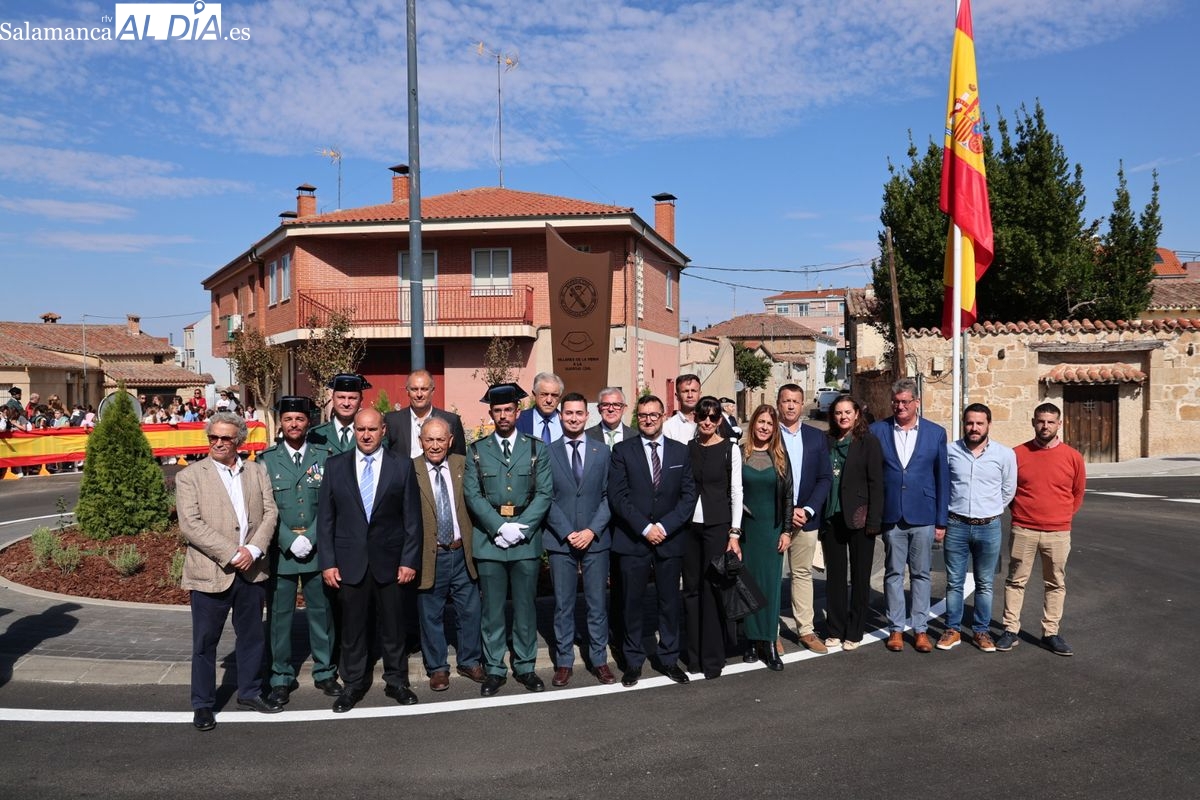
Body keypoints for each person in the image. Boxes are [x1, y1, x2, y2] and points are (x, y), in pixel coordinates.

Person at [175, 411, 282, 732]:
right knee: (205, 644)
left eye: (225, 438)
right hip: (210, 573)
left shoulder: (256, 471)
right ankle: (203, 704)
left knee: (251, 638)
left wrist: (254, 549)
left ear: (239, 441)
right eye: (213, 437)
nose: (219, 443)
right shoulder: (190, 476)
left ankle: (249, 692)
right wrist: (232, 552)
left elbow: (270, 512)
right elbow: (190, 524)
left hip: (251, 571)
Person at [317, 407, 422, 712]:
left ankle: (397, 681)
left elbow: (412, 519)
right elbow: (326, 519)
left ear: (383, 431)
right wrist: (328, 562)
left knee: (393, 627)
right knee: (353, 630)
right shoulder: (335, 466)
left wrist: (409, 560)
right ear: (354, 432)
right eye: (360, 430)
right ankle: (352, 685)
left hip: (390, 563)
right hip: (349, 563)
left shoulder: (401, 466)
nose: (365, 435)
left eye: (372, 430)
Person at [463, 383, 554, 697]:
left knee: (526, 608)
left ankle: (526, 667)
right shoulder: (477, 450)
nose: (503, 415)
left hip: (526, 541)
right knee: (492, 611)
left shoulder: (536, 449)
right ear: (491, 414)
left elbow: (544, 494)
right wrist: (499, 527)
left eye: (508, 410)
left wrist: (522, 527)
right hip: (490, 542)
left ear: (517, 412)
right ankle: (495, 669)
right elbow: (472, 495)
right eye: (497, 410)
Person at [608, 394, 698, 687]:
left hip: (670, 540)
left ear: (663, 416)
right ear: (638, 418)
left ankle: (669, 659)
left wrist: (664, 526)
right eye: (643, 415)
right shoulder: (622, 451)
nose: (648, 419)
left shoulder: (681, 452)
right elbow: (618, 496)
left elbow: (688, 497)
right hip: (633, 539)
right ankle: (633, 661)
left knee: (669, 603)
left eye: (654, 415)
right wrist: (646, 528)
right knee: (632, 604)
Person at [259, 396, 341, 705]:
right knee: (280, 616)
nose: (294, 424)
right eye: (289, 419)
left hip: (318, 548)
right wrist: (287, 539)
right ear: (280, 422)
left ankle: (325, 671)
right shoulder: (266, 460)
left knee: (322, 612)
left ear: (309, 422)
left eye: (300, 419)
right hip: (282, 552)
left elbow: (332, 503)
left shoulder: (325, 455)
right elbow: (263, 508)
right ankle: (280, 675)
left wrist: (313, 535)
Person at [995, 403, 1086, 656]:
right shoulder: (1017, 454)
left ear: (1059, 424)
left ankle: (1051, 633)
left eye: (1050, 422)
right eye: (1040, 421)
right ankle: (1010, 630)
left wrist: (1063, 516)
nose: (1045, 426)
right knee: (1015, 581)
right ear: (1033, 422)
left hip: (1058, 532)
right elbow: (1009, 490)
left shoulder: (1073, 457)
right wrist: (1021, 514)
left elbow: (1077, 493)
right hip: (1024, 529)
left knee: (1055, 582)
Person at [869, 378, 949, 653]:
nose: (900, 406)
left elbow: (942, 479)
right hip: (891, 514)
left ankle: (921, 629)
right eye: (896, 402)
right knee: (893, 573)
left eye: (905, 402)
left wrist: (941, 521)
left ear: (917, 403)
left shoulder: (935, 433)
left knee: (921, 574)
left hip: (923, 515)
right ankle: (895, 629)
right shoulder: (876, 431)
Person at [544, 392, 615, 686]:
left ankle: (599, 659)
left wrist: (591, 530)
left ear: (588, 416)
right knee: (563, 604)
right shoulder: (547, 452)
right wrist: (568, 531)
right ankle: (563, 661)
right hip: (560, 539)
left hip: (595, 539)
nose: (573, 418)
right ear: (561, 416)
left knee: (597, 603)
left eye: (579, 413)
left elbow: (610, 496)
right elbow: (544, 497)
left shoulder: (602, 452)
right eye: (568, 413)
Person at [411, 416, 486, 691]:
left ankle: (469, 660)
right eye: (429, 439)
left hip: (461, 550)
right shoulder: (410, 469)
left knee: (470, 611)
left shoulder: (463, 465)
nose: (434, 445)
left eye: (440, 439)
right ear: (421, 442)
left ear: (451, 441)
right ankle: (438, 668)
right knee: (430, 613)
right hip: (430, 555)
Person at [940, 403, 1017, 653]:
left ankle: (981, 631)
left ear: (989, 425)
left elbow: (1008, 490)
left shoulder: (1005, 455)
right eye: (970, 423)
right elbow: (943, 486)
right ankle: (952, 629)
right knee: (954, 582)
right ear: (964, 424)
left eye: (979, 423)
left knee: (985, 583)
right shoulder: (950, 451)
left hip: (989, 527)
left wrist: (990, 510)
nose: (974, 428)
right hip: (957, 525)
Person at [682, 395, 743, 679]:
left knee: (712, 591)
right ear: (695, 418)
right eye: (702, 416)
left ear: (720, 420)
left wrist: (734, 533)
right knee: (692, 590)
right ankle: (693, 656)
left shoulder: (730, 449)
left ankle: (712, 658)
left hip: (718, 526)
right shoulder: (688, 448)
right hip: (689, 529)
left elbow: (736, 492)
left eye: (713, 417)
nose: (707, 421)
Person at [820, 395, 884, 651]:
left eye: (847, 412)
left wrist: (873, 520)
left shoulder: (868, 442)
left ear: (857, 414)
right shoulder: (826, 441)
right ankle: (835, 628)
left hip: (859, 517)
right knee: (834, 576)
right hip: (831, 516)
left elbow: (876, 483)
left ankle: (855, 630)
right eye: (838, 413)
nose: (843, 416)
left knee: (859, 576)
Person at [775, 383, 833, 654]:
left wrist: (808, 509)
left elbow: (824, 478)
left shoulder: (815, 437)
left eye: (795, 401)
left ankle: (806, 631)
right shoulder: (768, 433)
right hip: (774, 519)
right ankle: (769, 632)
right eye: (786, 400)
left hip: (805, 518)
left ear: (802, 405)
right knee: (773, 576)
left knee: (801, 574)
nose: (790, 406)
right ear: (778, 404)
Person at [739, 404, 794, 670]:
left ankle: (769, 642)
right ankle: (750, 640)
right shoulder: (740, 453)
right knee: (747, 586)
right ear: (753, 424)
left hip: (771, 530)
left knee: (770, 588)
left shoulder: (780, 456)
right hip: (747, 531)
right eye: (760, 422)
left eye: (769, 424)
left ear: (775, 429)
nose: (764, 427)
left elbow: (788, 497)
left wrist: (786, 530)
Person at [385, 369, 467, 459]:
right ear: (407, 391)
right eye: (414, 389)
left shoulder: (451, 421)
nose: (419, 394)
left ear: (432, 391)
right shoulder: (392, 421)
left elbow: (460, 460)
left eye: (424, 389)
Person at [311, 374, 369, 454]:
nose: (346, 403)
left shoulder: (371, 435)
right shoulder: (316, 434)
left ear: (361, 401)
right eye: (341, 397)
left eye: (352, 398)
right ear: (333, 398)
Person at [516, 371, 564, 443]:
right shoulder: (519, 420)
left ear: (560, 397)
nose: (549, 400)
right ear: (534, 394)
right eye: (544, 394)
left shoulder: (566, 421)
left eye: (554, 395)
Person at [662, 373, 702, 444]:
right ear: (677, 396)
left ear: (700, 394)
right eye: (685, 391)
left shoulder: (710, 423)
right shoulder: (668, 428)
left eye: (693, 391)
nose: (690, 395)